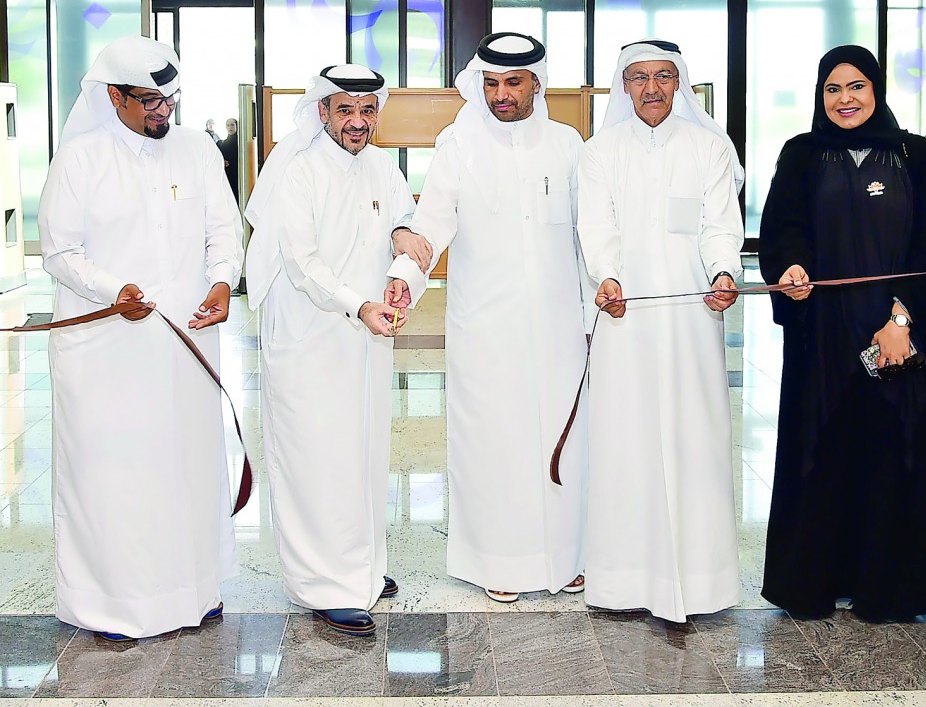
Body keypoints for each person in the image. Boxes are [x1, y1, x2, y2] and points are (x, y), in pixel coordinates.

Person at [38, 34, 243, 642]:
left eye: (169, 100)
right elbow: (59, 251)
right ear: (115, 97)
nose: (163, 111)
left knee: (185, 467)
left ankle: (193, 591)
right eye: (150, 101)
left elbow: (223, 228)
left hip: (183, 343)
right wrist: (113, 291)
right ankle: (113, 605)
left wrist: (222, 282)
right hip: (107, 350)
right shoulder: (80, 158)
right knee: (116, 476)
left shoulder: (197, 149)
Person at [757, 45, 926, 622]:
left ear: (876, 90)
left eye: (856, 87)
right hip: (821, 335)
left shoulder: (915, 155)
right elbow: (782, 228)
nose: (844, 99)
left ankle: (888, 590)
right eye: (833, 89)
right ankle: (813, 584)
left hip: (895, 335)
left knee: (892, 453)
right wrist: (790, 269)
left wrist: (902, 320)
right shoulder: (801, 154)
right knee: (820, 453)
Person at [388, 32, 589, 603]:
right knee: (493, 441)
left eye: (513, 83)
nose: (501, 94)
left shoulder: (567, 145)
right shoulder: (458, 146)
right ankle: (498, 562)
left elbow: (590, 231)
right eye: (492, 83)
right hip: (485, 326)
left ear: (536, 84)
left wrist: (598, 301)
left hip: (557, 324)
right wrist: (404, 276)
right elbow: (432, 223)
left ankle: (566, 557)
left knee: (561, 437)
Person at [244, 64, 416, 638]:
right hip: (308, 335)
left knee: (361, 451)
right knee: (316, 457)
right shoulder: (298, 169)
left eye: (367, 111)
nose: (357, 122)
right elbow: (301, 263)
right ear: (322, 112)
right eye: (345, 110)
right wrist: (358, 305)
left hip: (365, 334)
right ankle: (322, 585)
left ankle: (359, 569)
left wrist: (400, 262)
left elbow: (403, 221)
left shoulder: (383, 167)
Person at [576, 38, 744, 622]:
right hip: (623, 319)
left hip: (693, 321)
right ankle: (625, 583)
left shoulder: (709, 147)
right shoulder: (599, 152)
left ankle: (701, 583)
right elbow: (596, 227)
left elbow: (721, 225)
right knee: (627, 441)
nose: (651, 88)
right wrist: (607, 276)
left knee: (695, 442)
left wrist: (723, 272)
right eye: (640, 77)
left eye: (663, 76)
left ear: (680, 84)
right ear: (624, 86)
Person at [219, 118, 239, 203]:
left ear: (237, 126)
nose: (230, 127)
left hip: (238, 175)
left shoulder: (241, 143)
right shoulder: (222, 144)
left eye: (232, 125)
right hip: (227, 176)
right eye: (228, 125)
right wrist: (222, 162)